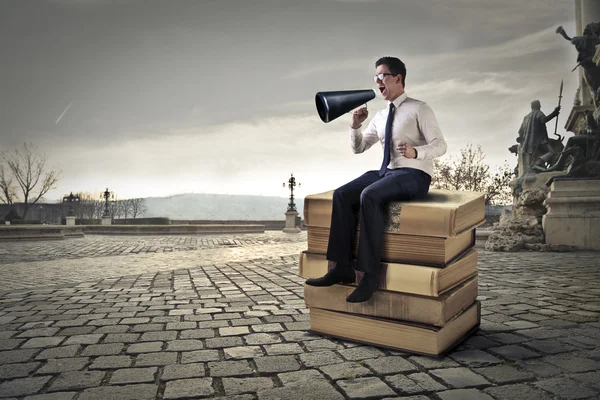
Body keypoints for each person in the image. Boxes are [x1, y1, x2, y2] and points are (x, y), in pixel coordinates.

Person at [305, 56, 447, 303]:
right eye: (376, 77)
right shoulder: (380, 116)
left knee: (369, 195)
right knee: (342, 194)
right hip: (387, 171)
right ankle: (341, 268)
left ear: (397, 78)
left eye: (382, 76)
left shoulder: (419, 108)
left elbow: (441, 145)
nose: (377, 81)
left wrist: (417, 152)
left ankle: (369, 276)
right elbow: (359, 148)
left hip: (414, 174)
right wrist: (355, 126)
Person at [516, 100, 560, 174]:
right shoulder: (538, 112)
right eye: (539, 106)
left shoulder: (525, 118)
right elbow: (544, 120)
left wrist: (523, 140)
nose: (540, 107)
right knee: (552, 152)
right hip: (540, 139)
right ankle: (538, 164)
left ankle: (533, 166)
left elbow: (520, 131)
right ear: (538, 106)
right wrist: (554, 113)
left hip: (528, 142)